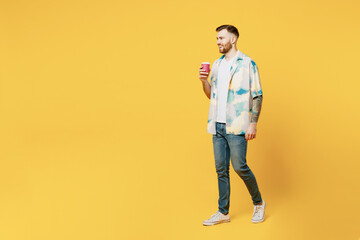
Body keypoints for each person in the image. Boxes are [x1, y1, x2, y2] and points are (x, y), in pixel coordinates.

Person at [199, 25, 266, 226]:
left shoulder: (247, 63)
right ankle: (223, 212)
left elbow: (258, 95)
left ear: (233, 39)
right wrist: (203, 82)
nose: (218, 42)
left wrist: (253, 123)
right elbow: (212, 96)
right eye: (217, 39)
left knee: (239, 166)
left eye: (221, 38)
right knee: (221, 170)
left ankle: (259, 202)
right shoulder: (217, 65)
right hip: (217, 126)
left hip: (237, 125)